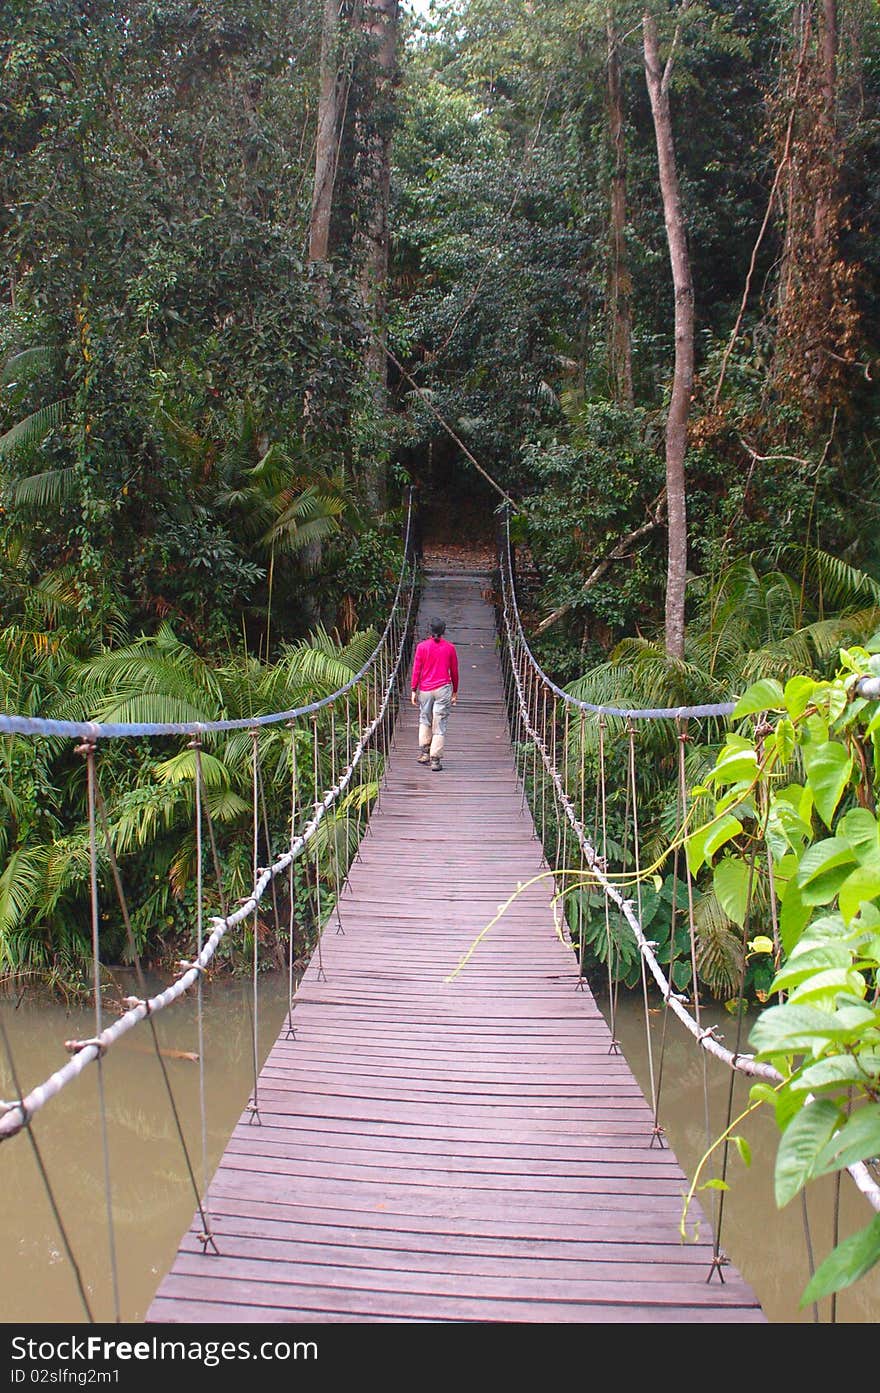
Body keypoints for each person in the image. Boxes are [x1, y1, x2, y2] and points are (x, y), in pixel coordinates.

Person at [410, 616, 459, 772]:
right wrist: (455, 691)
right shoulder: (450, 648)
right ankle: (435, 760)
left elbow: (416, 669)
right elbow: (454, 671)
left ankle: (424, 753)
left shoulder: (422, 647)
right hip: (443, 689)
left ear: (430, 630)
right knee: (440, 724)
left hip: (425, 689)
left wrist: (413, 689)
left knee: (425, 719)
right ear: (443, 631)